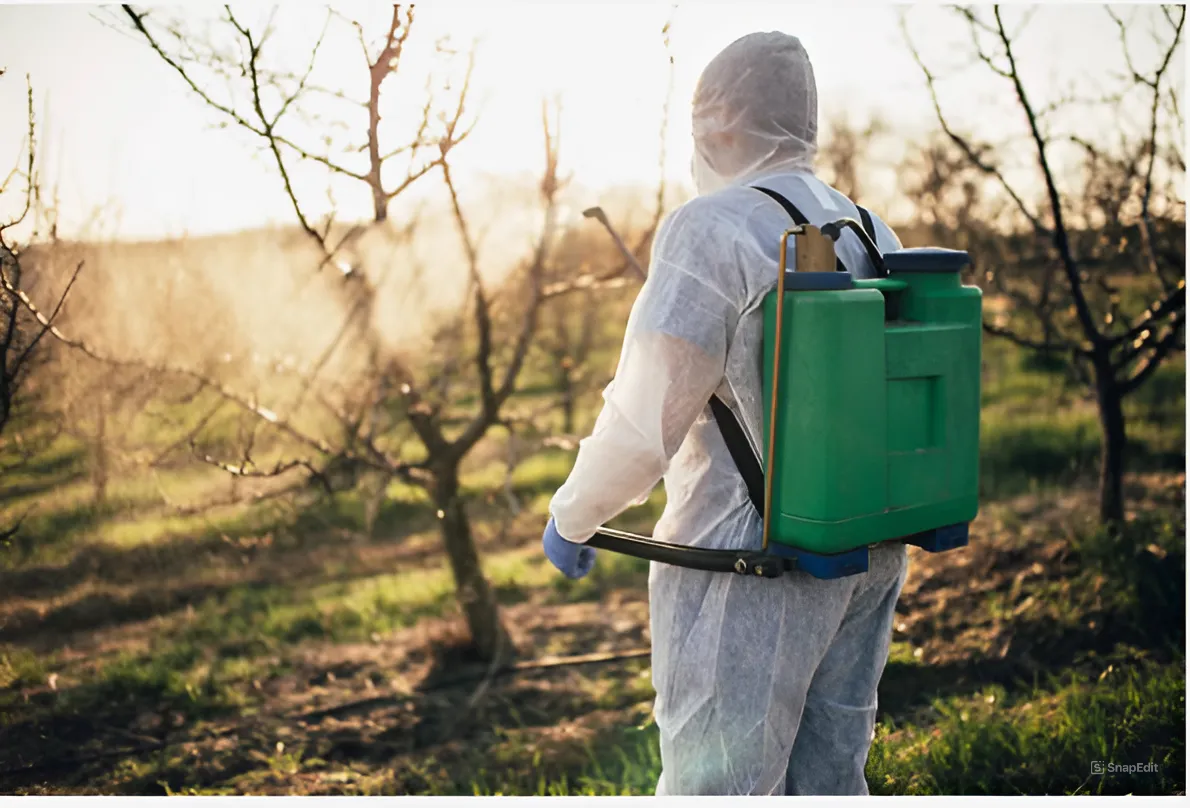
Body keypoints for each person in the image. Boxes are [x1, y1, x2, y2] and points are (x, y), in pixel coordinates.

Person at [541, 31, 908, 796]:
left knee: (720, 788)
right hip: (865, 550)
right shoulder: (870, 228)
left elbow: (646, 420)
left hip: (750, 566)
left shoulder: (711, 228)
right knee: (831, 780)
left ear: (722, 126)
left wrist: (574, 514)